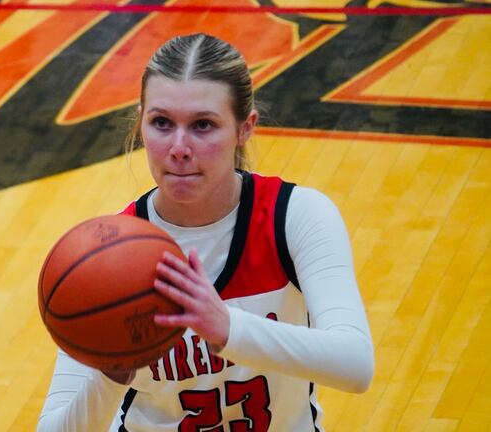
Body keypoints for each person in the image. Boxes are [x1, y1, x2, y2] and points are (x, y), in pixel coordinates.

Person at [37, 33, 374, 431]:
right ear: (140, 120)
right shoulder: (105, 257)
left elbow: (356, 364)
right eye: (162, 122)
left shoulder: (295, 216)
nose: (179, 147)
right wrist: (111, 379)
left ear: (244, 128)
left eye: (202, 125)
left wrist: (228, 328)